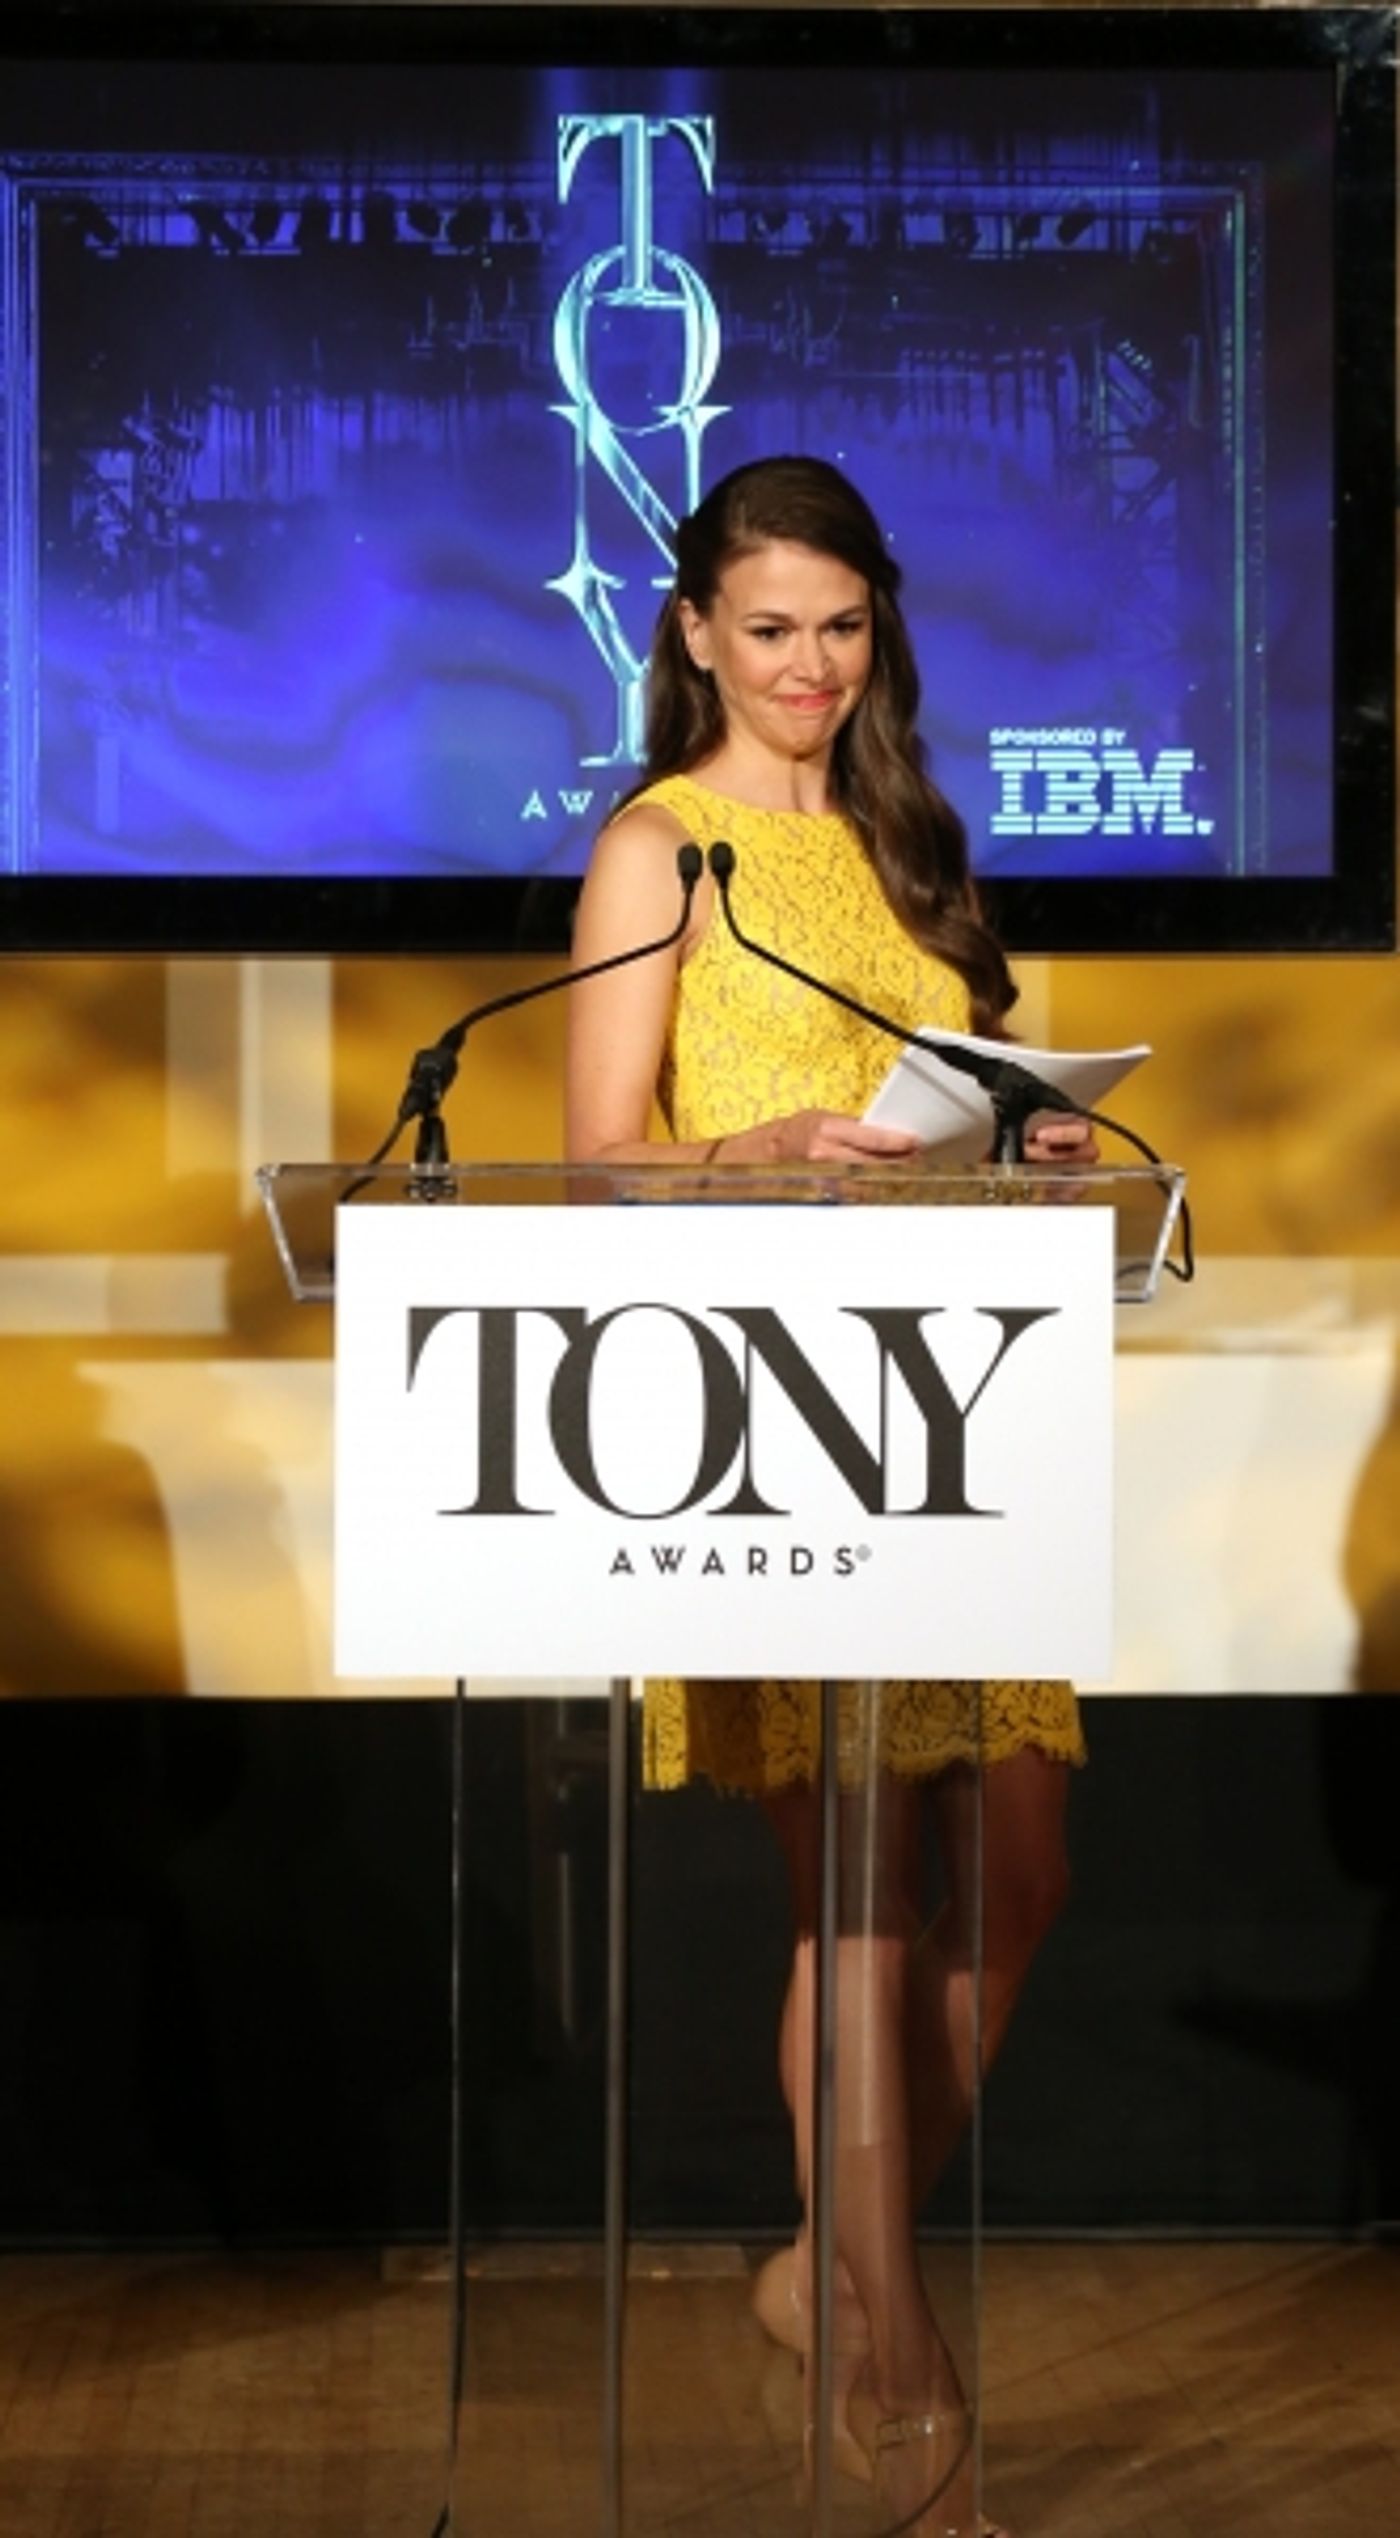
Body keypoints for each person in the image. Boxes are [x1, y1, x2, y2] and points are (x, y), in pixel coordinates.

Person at [564, 455, 1092, 2538]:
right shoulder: (654, 851)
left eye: (841, 628)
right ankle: (895, 2378)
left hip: (962, 1399)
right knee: (861, 1905)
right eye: (767, 627)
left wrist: (1018, 1148)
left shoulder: (906, 839)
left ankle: (818, 2270)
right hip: (767, 1409)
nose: (806, 667)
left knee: (1023, 1871)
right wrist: (753, 1144)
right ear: (695, 630)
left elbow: (936, 1101)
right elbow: (601, 1153)